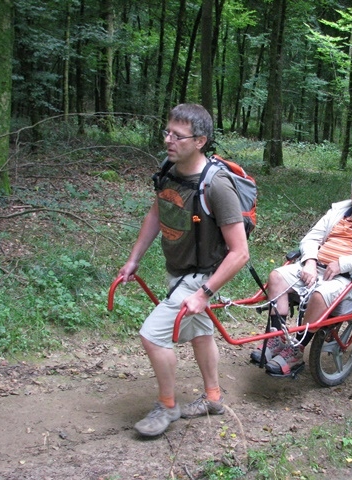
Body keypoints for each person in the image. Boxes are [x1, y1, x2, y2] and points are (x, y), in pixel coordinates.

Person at [119, 104, 249, 437]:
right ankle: (213, 397)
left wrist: (204, 294)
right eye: (167, 132)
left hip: (202, 274)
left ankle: (167, 405)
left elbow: (239, 253)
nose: (168, 141)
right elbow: (156, 213)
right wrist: (134, 259)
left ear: (200, 140)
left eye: (178, 136)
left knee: (152, 335)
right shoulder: (169, 169)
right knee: (201, 333)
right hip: (177, 268)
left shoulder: (217, 187)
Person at [250, 171, 352, 375]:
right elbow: (310, 238)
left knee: (320, 295)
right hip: (318, 267)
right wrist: (310, 261)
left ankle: (296, 350)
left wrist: (343, 264)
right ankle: (277, 338)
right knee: (277, 276)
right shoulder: (339, 211)